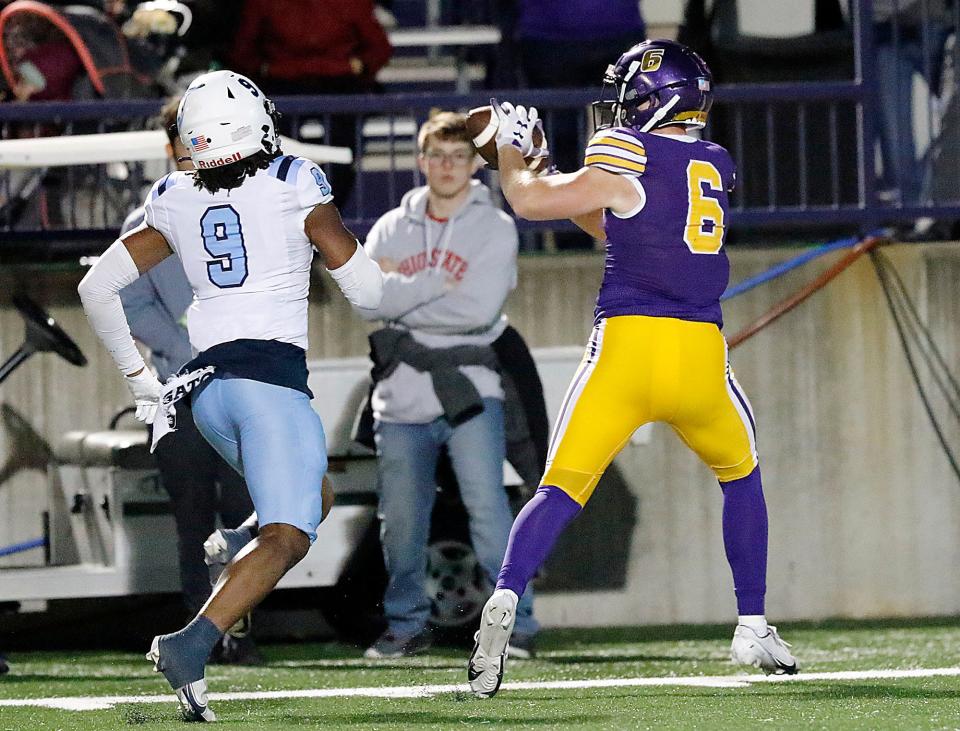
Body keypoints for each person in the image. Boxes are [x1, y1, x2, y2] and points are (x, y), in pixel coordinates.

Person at [467, 39, 799, 699]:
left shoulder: (626, 150)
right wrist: (547, 165)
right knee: (742, 474)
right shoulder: (714, 161)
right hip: (701, 356)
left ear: (654, 99)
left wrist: (512, 153)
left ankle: (504, 596)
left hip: (626, 348)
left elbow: (531, 203)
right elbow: (620, 218)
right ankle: (753, 622)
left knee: (560, 488)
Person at [78, 69, 383, 721]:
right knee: (290, 536)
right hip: (265, 383)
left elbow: (94, 289)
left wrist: (140, 383)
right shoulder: (294, 180)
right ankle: (190, 645)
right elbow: (369, 293)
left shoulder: (172, 195)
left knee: (315, 492)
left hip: (201, 393)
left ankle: (236, 535)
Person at [354, 111, 539, 659]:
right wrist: (435, 283)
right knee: (401, 522)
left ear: (473, 165)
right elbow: (370, 299)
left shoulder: (495, 227)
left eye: (459, 156)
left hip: (470, 386)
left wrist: (401, 289)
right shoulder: (390, 225)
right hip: (401, 392)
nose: (447, 166)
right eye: (436, 155)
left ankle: (515, 625)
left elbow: (478, 308)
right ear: (421, 160)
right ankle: (405, 625)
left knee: (488, 511)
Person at [118, 97, 260, 665]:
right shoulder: (148, 217)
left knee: (250, 514)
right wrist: (189, 346)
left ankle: (242, 635)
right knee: (195, 519)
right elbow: (130, 302)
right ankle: (202, 638)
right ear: (170, 147)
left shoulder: (247, 203)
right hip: (182, 391)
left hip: (245, 386)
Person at [229, 0, 393, 208]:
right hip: (283, 86)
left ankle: (329, 211)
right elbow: (243, 50)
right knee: (272, 145)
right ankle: (286, 209)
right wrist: (263, 69)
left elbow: (379, 47)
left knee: (343, 148)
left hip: (337, 84)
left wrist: (360, 65)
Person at [515, 0, 646, 250]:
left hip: (616, 32)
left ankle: (636, 241)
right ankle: (573, 244)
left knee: (629, 144)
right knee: (559, 141)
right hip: (548, 37)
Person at [873, 0, 955, 205]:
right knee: (897, 138)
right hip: (886, 32)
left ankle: (930, 201)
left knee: (954, 121)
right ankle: (914, 210)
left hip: (937, 23)